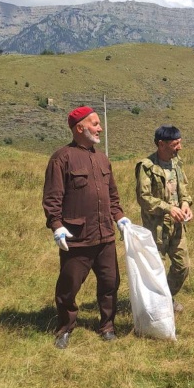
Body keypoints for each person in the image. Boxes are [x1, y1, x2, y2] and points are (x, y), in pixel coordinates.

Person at [42, 106, 131, 349]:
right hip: (77, 238)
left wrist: (120, 217)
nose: (100, 128)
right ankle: (65, 328)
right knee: (68, 287)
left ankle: (107, 326)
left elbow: (112, 195)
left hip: (105, 237)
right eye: (95, 124)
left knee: (110, 283)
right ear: (79, 128)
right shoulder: (62, 158)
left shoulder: (102, 159)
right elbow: (52, 199)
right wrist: (57, 226)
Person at [135, 126, 193, 311]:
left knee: (182, 266)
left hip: (177, 226)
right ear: (161, 144)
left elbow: (183, 190)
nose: (180, 147)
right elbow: (144, 198)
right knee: (156, 270)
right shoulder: (147, 166)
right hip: (156, 229)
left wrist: (185, 205)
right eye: (176, 144)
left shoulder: (177, 163)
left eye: (180, 143)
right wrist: (169, 209)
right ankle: (154, 307)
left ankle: (166, 298)